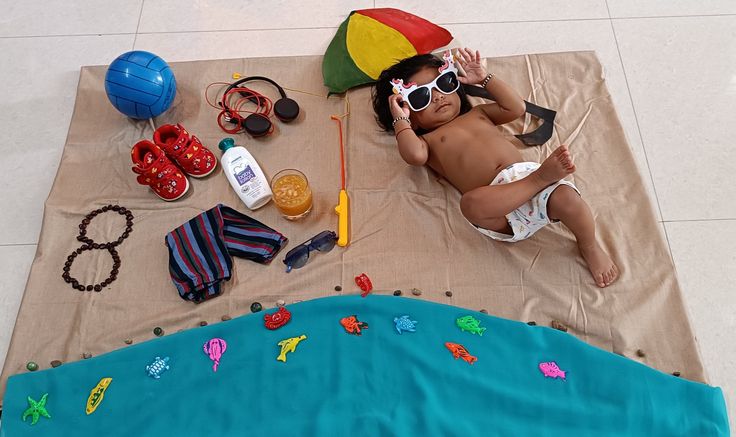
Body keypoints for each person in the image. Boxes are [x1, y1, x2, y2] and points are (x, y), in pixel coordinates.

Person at [372, 48, 618, 287]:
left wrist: (485, 79)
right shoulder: (428, 141)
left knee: (568, 200)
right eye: (420, 97)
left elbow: (516, 108)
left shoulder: (479, 113)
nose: (438, 96)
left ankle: (589, 245)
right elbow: (413, 155)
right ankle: (541, 178)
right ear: (407, 115)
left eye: (444, 84)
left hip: (533, 188)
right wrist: (400, 122)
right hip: (501, 210)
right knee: (470, 204)